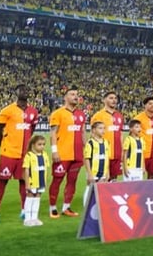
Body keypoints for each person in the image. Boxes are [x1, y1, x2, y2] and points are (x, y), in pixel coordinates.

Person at [0, 85, 39, 224]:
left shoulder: (33, 112)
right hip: (9, 153)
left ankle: (24, 211)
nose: (25, 91)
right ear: (16, 93)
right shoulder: (7, 110)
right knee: (2, 181)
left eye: (27, 89)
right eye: (22, 89)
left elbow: (32, 130)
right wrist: (5, 145)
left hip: (25, 155)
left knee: (24, 182)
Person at [47, 87, 87, 218]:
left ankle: (66, 207)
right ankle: (52, 207)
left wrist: (86, 149)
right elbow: (52, 133)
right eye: (72, 94)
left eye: (77, 94)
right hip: (62, 154)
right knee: (57, 180)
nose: (75, 96)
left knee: (72, 181)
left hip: (77, 154)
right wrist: (54, 151)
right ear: (65, 97)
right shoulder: (58, 113)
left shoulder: (81, 114)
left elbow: (82, 132)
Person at [90, 90, 124, 182]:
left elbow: (120, 134)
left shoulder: (119, 116)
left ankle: (110, 196)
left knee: (114, 178)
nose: (114, 100)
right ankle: (96, 195)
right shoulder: (98, 115)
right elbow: (93, 134)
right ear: (104, 100)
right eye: (111, 98)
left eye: (115, 98)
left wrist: (122, 150)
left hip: (116, 152)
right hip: (102, 152)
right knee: (102, 178)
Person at [21, 135, 50, 227]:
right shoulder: (29, 156)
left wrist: (45, 182)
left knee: (37, 198)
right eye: (39, 144)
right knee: (30, 198)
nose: (42, 146)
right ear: (33, 145)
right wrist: (27, 184)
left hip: (41, 181)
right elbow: (26, 170)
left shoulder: (45, 155)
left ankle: (34, 217)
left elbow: (46, 169)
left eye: (43, 144)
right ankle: (27, 218)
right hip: (32, 182)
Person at [133, 95, 153, 180]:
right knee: (138, 175)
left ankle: (150, 192)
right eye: (150, 103)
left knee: (152, 175)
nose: (152, 105)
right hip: (141, 152)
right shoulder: (138, 118)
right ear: (145, 105)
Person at [82, 120, 110, 209]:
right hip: (93, 171)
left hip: (103, 171)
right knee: (90, 189)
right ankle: (86, 208)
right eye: (100, 128)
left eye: (104, 128)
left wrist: (107, 171)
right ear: (94, 130)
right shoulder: (90, 143)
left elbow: (107, 158)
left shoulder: (106, 142)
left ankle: (99, 208)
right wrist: (89, 173)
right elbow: (86, 159)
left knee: (101, 190)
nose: (103, 130)